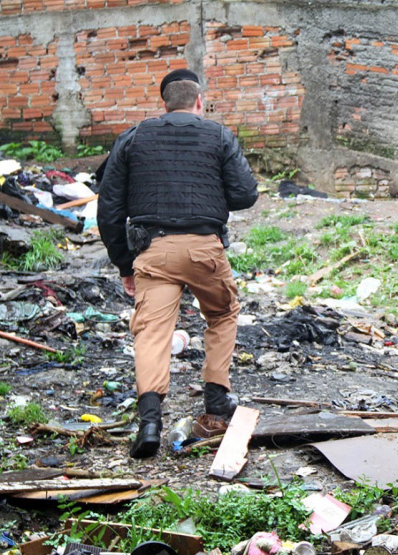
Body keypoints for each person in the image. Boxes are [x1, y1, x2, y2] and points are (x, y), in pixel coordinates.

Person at [98, 69, 259, 459]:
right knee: (222, 313)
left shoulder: (134, 138)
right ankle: (217, 397)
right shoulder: (219, 135)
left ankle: (150, 421)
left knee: (152, 332)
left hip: (154, 251)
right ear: (198, 102)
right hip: (206, 249)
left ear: (165, 104)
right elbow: (245, 194)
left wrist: (124, 263)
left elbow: (109, 207)